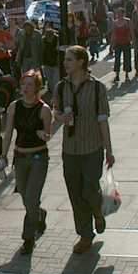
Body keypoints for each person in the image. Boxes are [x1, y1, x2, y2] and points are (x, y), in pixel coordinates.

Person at [53, 46, 114, 254]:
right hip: (70, 150)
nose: (65, 63)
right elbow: (56, 112)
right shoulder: (61, 87)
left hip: (92, 148)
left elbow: (103, 120)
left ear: (81, 62)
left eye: (69, 60)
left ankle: (97, 211)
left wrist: (109, 150)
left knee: (89, 189)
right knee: (75, 194)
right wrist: (60, 118)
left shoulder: (97, 88)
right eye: (65, 60)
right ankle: (85, 235)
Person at [1, 70, 52, 254]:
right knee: (24, 195)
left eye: (30, 85)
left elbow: (48, 135)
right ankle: (39, 214)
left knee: (31, 197)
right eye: (23, 84)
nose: (25, 88)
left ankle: (28, 239)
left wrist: (43, 135)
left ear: (37, 87)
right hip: (20, 157)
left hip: (38, 157)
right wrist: (3, 155)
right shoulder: (14, 107)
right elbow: (8, 134)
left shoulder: (44, 109)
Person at [110, 7, 133, 84]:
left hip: (126, 43)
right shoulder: (115, 22)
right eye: (118, 13)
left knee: (127, 58)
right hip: (118, 43)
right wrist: (112, 45)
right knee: (117, 59)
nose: (120, 15)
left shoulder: (127, 21)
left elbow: (131, 32)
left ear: (124, 13)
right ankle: (117, 75)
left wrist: (133, 40)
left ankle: (126, 75)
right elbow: (113, 34)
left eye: (121, 13)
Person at [40, 24, 59, 95]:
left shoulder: (57, 39)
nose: (49, 38)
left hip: (56, 62)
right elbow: (41, 51)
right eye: (47, 35)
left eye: (50, 35)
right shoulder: (43, 40)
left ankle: (56, 93)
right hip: (46, 62)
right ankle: (52, 92)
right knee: (50, 80)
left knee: (55, 80)